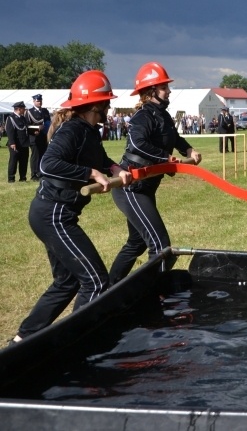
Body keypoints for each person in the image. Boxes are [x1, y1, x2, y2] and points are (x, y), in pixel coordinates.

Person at [10, 71, 132, 343]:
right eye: (107, 102)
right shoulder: (73, 129)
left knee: (67, 282)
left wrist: (113, 168)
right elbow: (47, 164)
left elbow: (97, 157)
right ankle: (75, 345)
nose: (109, 107)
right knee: (95, 280)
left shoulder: (87, 131)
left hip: (50, 214)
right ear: (95, 105)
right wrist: (90, 173)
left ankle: (19, 342)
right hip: (53, 214)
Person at [109, 62, 202, 285]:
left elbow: (175, 139)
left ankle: (110, 287)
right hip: (132, 187)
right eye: (164, 87)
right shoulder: (142, 117)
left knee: (136, 242)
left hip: (147, 187)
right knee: (161, 247)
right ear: (152, 92)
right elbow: (137, 144)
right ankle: (147, 290)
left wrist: (188, 149)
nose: (168, 91)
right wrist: (165, 157)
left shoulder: (164, 115)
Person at [25, 94, 51, 181]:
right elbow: (27, 125)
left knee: (43, 155)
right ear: (34, 101)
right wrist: (35, 130)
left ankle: (41, 172)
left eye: (40, 100)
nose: (39, 102)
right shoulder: (29, 112)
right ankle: (34, 174)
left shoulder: (45, 111)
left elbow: (48, 122)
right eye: (38, 101)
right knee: (35, 156)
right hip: (34, 137)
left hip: (44, 137)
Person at [5, 101, 30, 183]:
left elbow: (26, 129)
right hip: (15, 143)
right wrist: (12, 142)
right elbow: (10, 131)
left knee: (24, 161)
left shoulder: (23, 118)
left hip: (24, 143)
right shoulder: (11, 118)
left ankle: (23, 177)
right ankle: (11, 178)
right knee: (13, 161)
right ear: (19, 109)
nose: (24, 110)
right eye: (23, 109)